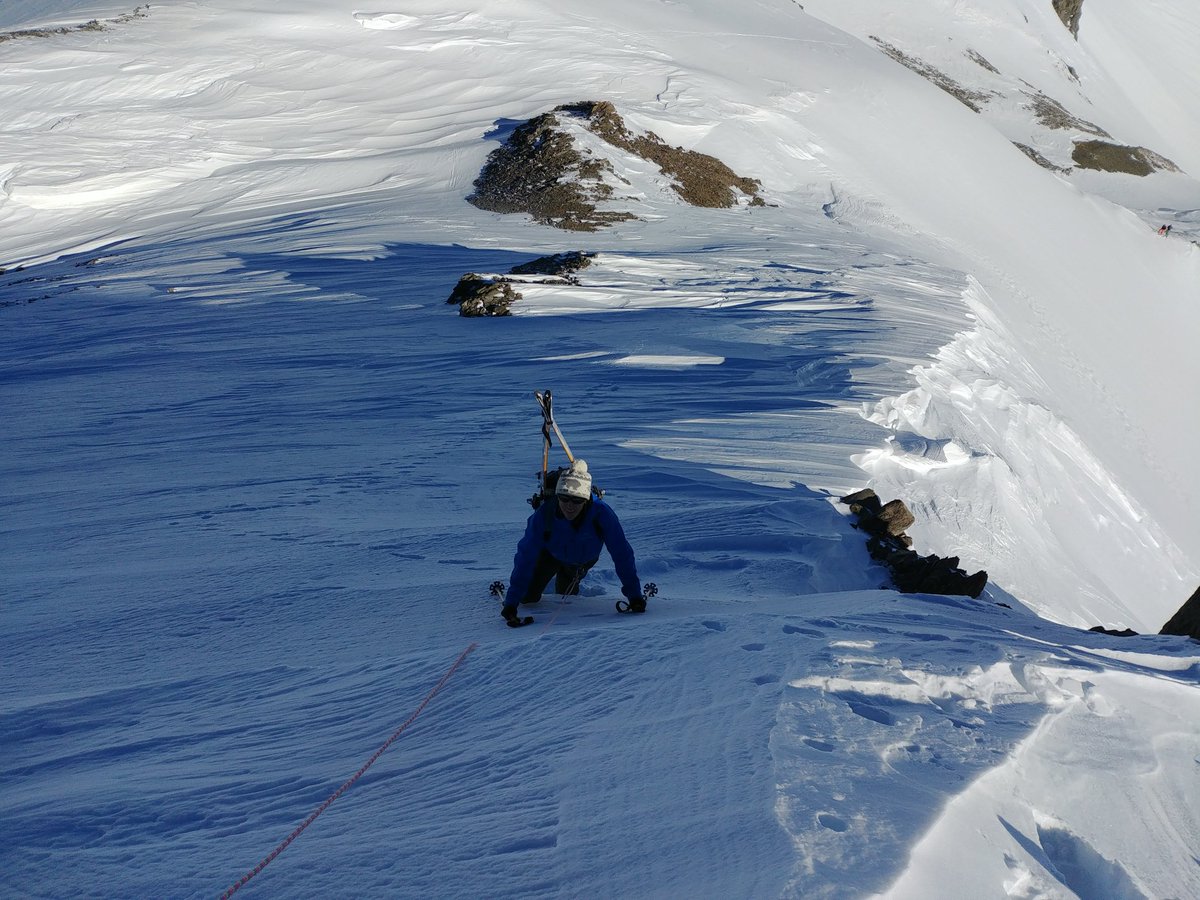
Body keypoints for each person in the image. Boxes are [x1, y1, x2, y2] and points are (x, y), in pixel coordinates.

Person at [502, 459, 645, 626]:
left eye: (577, 500)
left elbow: (622, 554)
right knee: (527, 598)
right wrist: (511, 602)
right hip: (550, 554)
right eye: (564, 499)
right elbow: (525, 556)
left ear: (585, 500)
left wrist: (634, 595)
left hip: (581, 561)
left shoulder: (602, 514)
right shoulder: (544, 514)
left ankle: (568, 578)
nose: (570, 506)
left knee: (567, 599)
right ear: (557, 497)